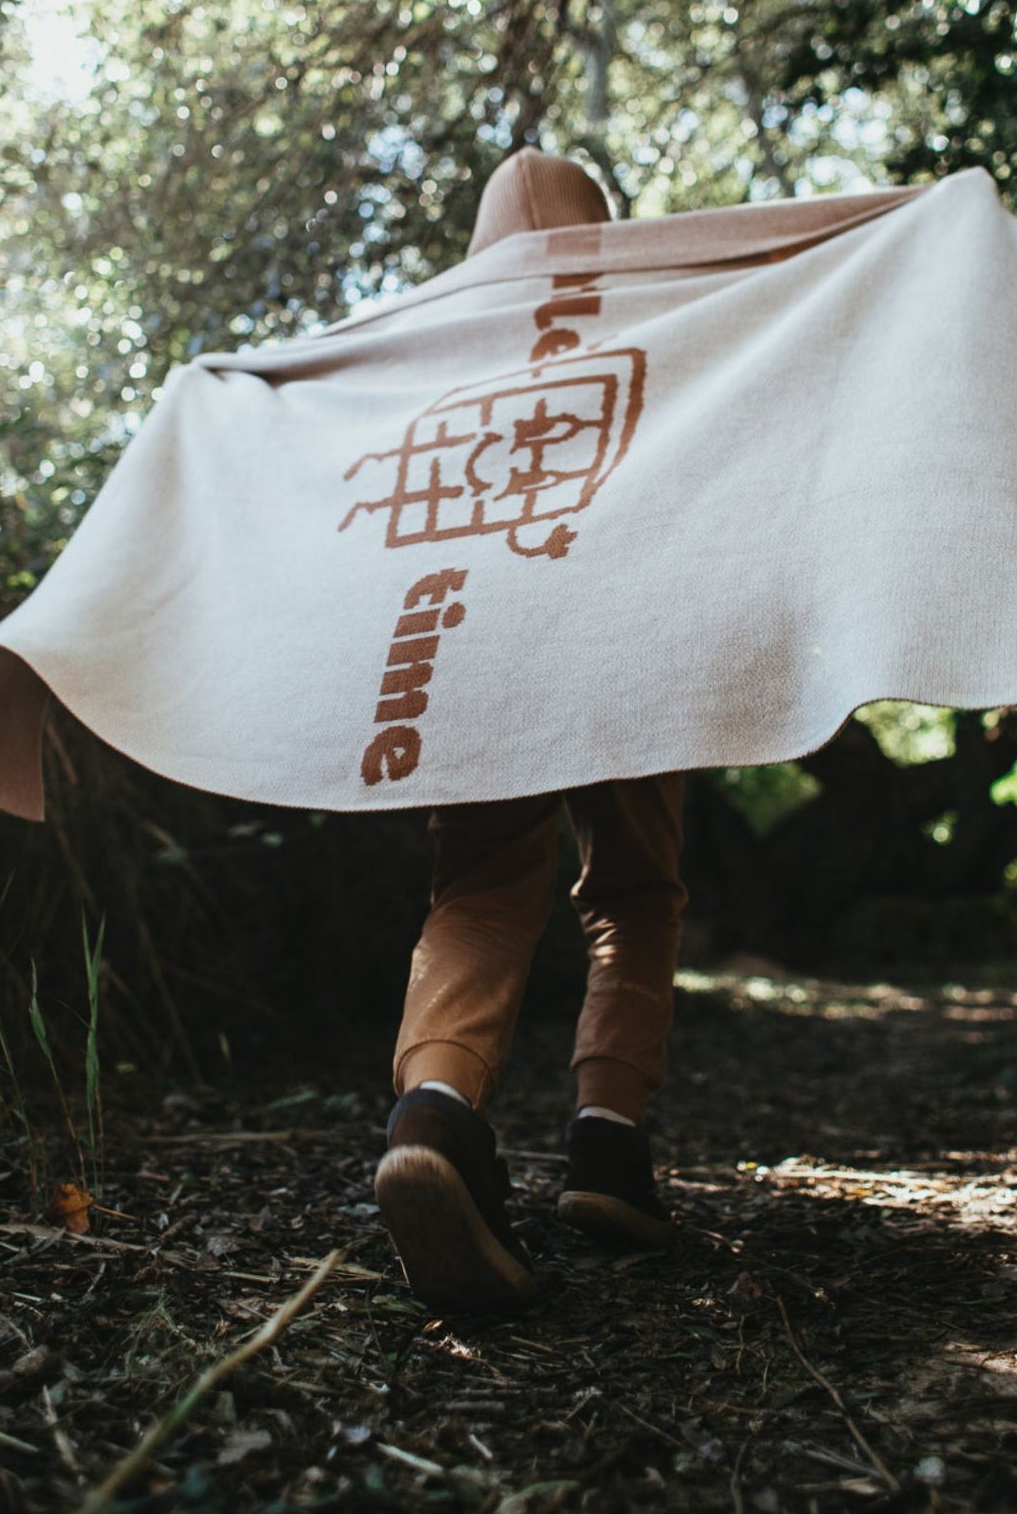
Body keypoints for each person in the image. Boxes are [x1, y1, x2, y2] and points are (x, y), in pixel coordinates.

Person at [372, 151, 687, 1312]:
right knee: (635, 891)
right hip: (629, 637)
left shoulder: (432, 365)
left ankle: (433, 1121)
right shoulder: (659, 342)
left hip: (471, 639)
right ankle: (609, 1147)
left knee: (482, 886)